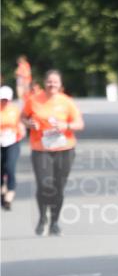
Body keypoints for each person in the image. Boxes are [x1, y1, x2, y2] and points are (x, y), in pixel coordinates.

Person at [21, 70, 84, 236]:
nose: (52, 85)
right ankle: (43, 217)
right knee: (44, 185)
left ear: (60, 84)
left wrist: (66, 126)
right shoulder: (33, 100)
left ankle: (55, 222)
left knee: (58, 187)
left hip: (65, 149)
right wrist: (29, 124)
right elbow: (22, 117)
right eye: (49, 81)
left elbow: (79, 124)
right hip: (41, 148)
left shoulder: (66, 101)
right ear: (44, 82)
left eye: (55, 82)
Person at [1, 86, 25, 211]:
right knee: (1, 168)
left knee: (10, 167)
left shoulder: (14, 110)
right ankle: (2, 189)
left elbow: (20, 123)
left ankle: (9, 194)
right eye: (2, 99)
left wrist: (21, 129)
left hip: (12, 141)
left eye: (6, 99)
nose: (4, 102)